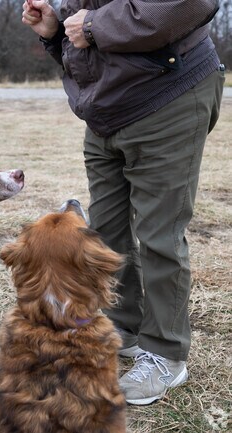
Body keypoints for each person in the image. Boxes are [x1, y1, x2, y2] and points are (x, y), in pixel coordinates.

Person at [21, 0, 225, 405]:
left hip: (170, 94)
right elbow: (92, 40)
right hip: (109, 112)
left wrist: (96, 25)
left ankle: (166, 355)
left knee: (159, 236)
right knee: (106, 231)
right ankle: (123, 328)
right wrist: (57, 32)